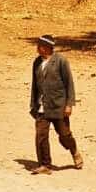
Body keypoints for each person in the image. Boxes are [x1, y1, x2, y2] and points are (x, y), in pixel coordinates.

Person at [29, 34, 82, 174]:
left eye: (39, 46)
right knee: (41, 135)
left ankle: (74, 151)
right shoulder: (36, 62)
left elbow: (69, 83)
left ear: (47, 48)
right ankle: (45, 164)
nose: (37, 48)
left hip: (58, 106)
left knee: (64, 135)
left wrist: (69, 104)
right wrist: (33, 105)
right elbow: (35, 85)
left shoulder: (61, 61)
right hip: (42, 106)